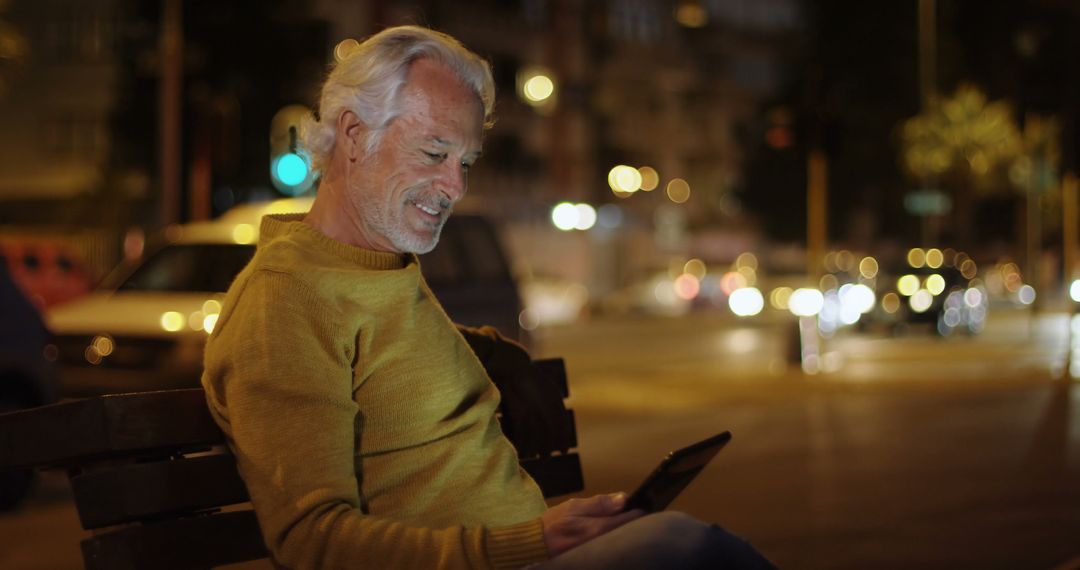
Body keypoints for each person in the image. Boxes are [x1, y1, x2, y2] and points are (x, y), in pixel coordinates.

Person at [202, 25, 773, 569]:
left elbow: (384, 369)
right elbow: (310, 544)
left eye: (465, 162)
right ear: (354, 136)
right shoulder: (286, 301)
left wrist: (492, 356)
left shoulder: (377, 267)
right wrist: (530, 544)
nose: (455, 187)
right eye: (433, 154)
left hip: (528, 553)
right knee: (688, 549)